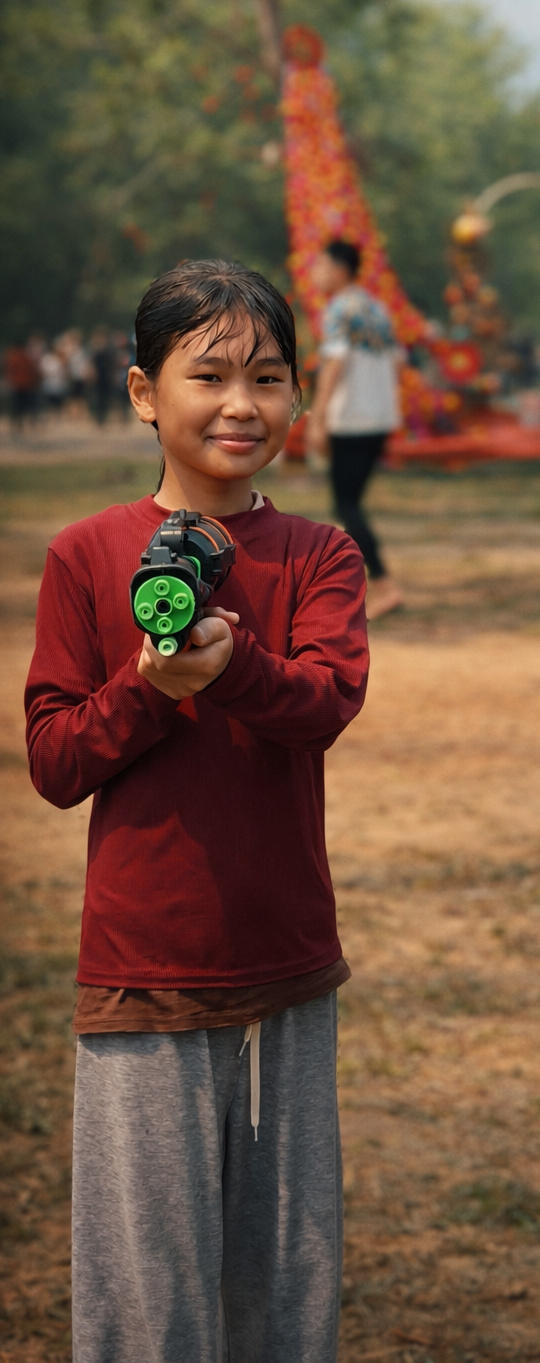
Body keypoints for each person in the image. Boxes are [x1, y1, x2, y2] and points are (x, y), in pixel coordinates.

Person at [25, 260, 369, 1363]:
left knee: (284, 1280)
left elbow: (321, 705)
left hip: (285, 965)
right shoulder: (85, 554)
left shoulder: (319, 553)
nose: (240, 403)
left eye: (268, 378)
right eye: (208, 374)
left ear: (299, 400)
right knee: (148, 1291)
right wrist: (144, 690)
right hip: (141, 969)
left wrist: (228, 670)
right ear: (142, 393)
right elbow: (53, 758)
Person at [306, 239, 404, 620]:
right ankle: (351, 582)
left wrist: (319, 417)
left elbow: (334, 365)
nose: (315, 272)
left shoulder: (339, 309)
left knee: (346, 505)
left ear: (340, 270)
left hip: (350, 418)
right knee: (350, 503)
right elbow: (396, 364)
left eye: (321, 264)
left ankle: (384, 584)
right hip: (379, 416)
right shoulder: (378, 309)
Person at [5, 338, 41, 430]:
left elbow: (10, 371)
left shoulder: (12, 356)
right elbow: (33, 370)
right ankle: (31, 423)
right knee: (28, 405)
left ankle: (17, 423)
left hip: (17, 384)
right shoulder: (27, 356)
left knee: (16, 405)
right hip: (28, 384)